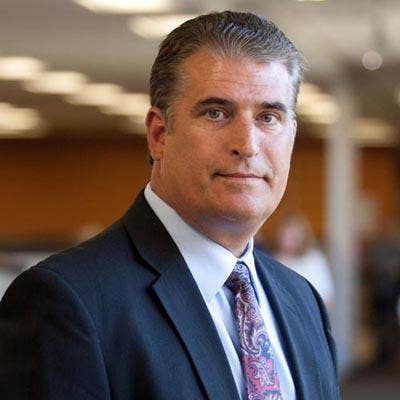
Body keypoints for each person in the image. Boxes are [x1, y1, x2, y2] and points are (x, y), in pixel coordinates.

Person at [0, 11, 340, 400]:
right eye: (216, 113)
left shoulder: (302, 300)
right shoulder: (67, 302)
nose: (247, 145)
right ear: (159, 134)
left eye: (268, 117)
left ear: (291, 134)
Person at [274, 213, 335, 308]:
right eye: (284, 236)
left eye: (292, 237)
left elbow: (327, 296)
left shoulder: (314, 260)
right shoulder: (274, 260)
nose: (287, 241)